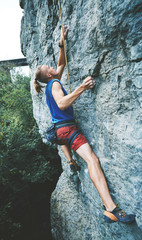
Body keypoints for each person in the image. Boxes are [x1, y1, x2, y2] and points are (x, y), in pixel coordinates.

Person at [34, 26, 135, 223]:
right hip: (68, 129)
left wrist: (62, 42)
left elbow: (61, 63)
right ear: (48, 75)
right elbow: (62, 103)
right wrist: (82, 86)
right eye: (50, 68)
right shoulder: (54, 84)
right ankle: (111, 207)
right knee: (93, 161)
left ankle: (109, 209)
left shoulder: (51, 83)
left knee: (91, 161)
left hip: (61, 132)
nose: (53, 67)